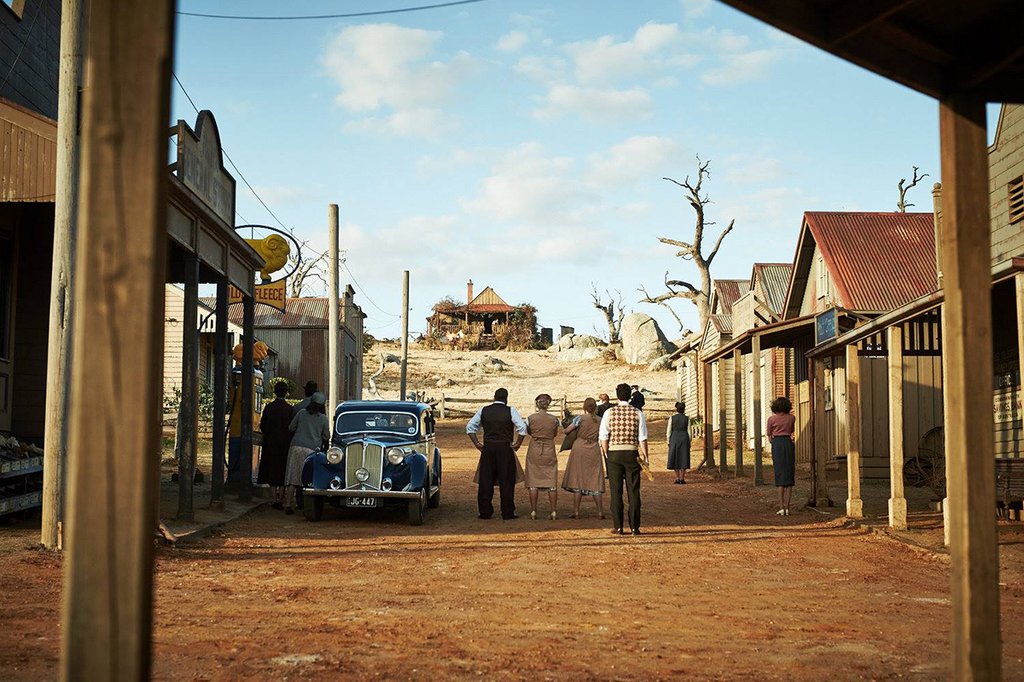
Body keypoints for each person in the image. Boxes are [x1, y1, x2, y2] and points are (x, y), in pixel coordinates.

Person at [466, 388, 526, 520]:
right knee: (507, 480)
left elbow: (470, 427)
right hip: (505, 447)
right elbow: (522, 428)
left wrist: (477, 443)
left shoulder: (483, 410)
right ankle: (507, 512)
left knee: (486, 480)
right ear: (506, 398)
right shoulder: (510, 410)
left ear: (494, 397)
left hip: (488, 447)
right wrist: (517, 443)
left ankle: (485, 512)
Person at [600, 383, 650, 535]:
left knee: (616, 491)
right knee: (633, 490)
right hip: (631, 454)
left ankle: (619, 527)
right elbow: (642, 437)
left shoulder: (609, 412)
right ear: (630, 396)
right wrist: (646, 456)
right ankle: (635, 527)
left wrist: (607, 453)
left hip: (614, 454)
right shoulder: (637, 413)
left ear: (617, 395)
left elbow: (603, 436)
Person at [283, 391, 331, 515]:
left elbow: (290, 428)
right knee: (309, 479)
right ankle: (305, 506)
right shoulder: (323, 419)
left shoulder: (301, 413)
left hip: (296, 447)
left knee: (292, 477)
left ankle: (288, 504)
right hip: (311, 450)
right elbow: (326, 436)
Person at [561, 397, 605, 519]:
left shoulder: (579, 418)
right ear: (595, 407)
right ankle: (600, 512)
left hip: (579, 448)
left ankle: (576, 511)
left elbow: (566, 431)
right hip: (594, 448)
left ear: (584, 407)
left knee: (577, 478)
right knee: (594, 479)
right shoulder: (601, 420)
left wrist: (563, 425)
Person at [524, 393, 560, 520]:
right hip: (549, 449)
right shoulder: (554, 419)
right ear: (548, 404)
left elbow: (529, 432)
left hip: (535, 448)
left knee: (533, 481)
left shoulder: (530, 418)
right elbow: (555, 434)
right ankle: (553, 511)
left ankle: (534, 511)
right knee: (551, 482)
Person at [257, 381, 293, 509]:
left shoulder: (269, 408)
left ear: (274, 392)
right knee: (283, 471)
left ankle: (273, 498)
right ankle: (281, 498)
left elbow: (262, 425)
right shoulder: (290, 409)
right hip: (285, 445)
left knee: (272, 470)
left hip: (270, 444)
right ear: (286, 393)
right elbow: (292, 428)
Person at [767, 396, 797, 516]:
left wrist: (773, 441)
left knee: (779, 474)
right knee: (789, 475)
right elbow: (791, 430)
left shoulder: (771, 419)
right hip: (788, 443)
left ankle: (781, 507)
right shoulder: (791, 418)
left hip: (777, 444)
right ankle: (788, 508)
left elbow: (769, 435)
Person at [666, 401, 692, 484]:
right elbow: (689, 432)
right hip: (684, 437)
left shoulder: (672, 418)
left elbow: (668, 431)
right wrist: (689, 441)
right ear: (684, 409)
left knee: (675, 457)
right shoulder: (687, 418)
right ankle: (682, 478)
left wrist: (668, 441)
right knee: (683, 457)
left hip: (674, 437)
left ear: (676, 409)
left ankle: (677, 477)